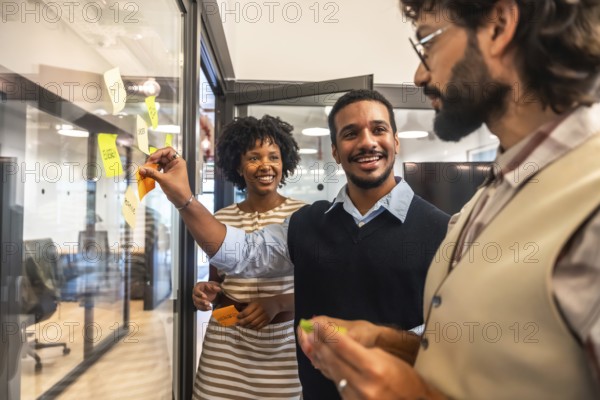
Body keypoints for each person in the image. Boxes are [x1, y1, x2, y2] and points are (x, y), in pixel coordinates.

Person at [297, 0, 600, 399]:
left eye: (427, 42)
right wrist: (386, 342)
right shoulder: (490, 198)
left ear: (499, 26)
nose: (420, 75)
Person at [140, 89, 450, 399]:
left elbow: (452, 338)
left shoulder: (443, 231)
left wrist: (380, 342)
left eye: (378, 129)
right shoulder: (307, 223)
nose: (367, 141)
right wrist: (184, 198)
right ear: (335, 151)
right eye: (350, 133)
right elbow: (240, 254)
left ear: (396, 141)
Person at [190, 115, 305, 399]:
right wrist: (206, 292)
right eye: (254, 158)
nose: (265, 165)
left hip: (284, 347)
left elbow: (321, 288)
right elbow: (217, 283)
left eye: (274, 157)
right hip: (227, 341)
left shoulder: (304, 216)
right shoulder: (221, 218)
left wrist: (278, 302)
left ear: (284, 163)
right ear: (238, 166)